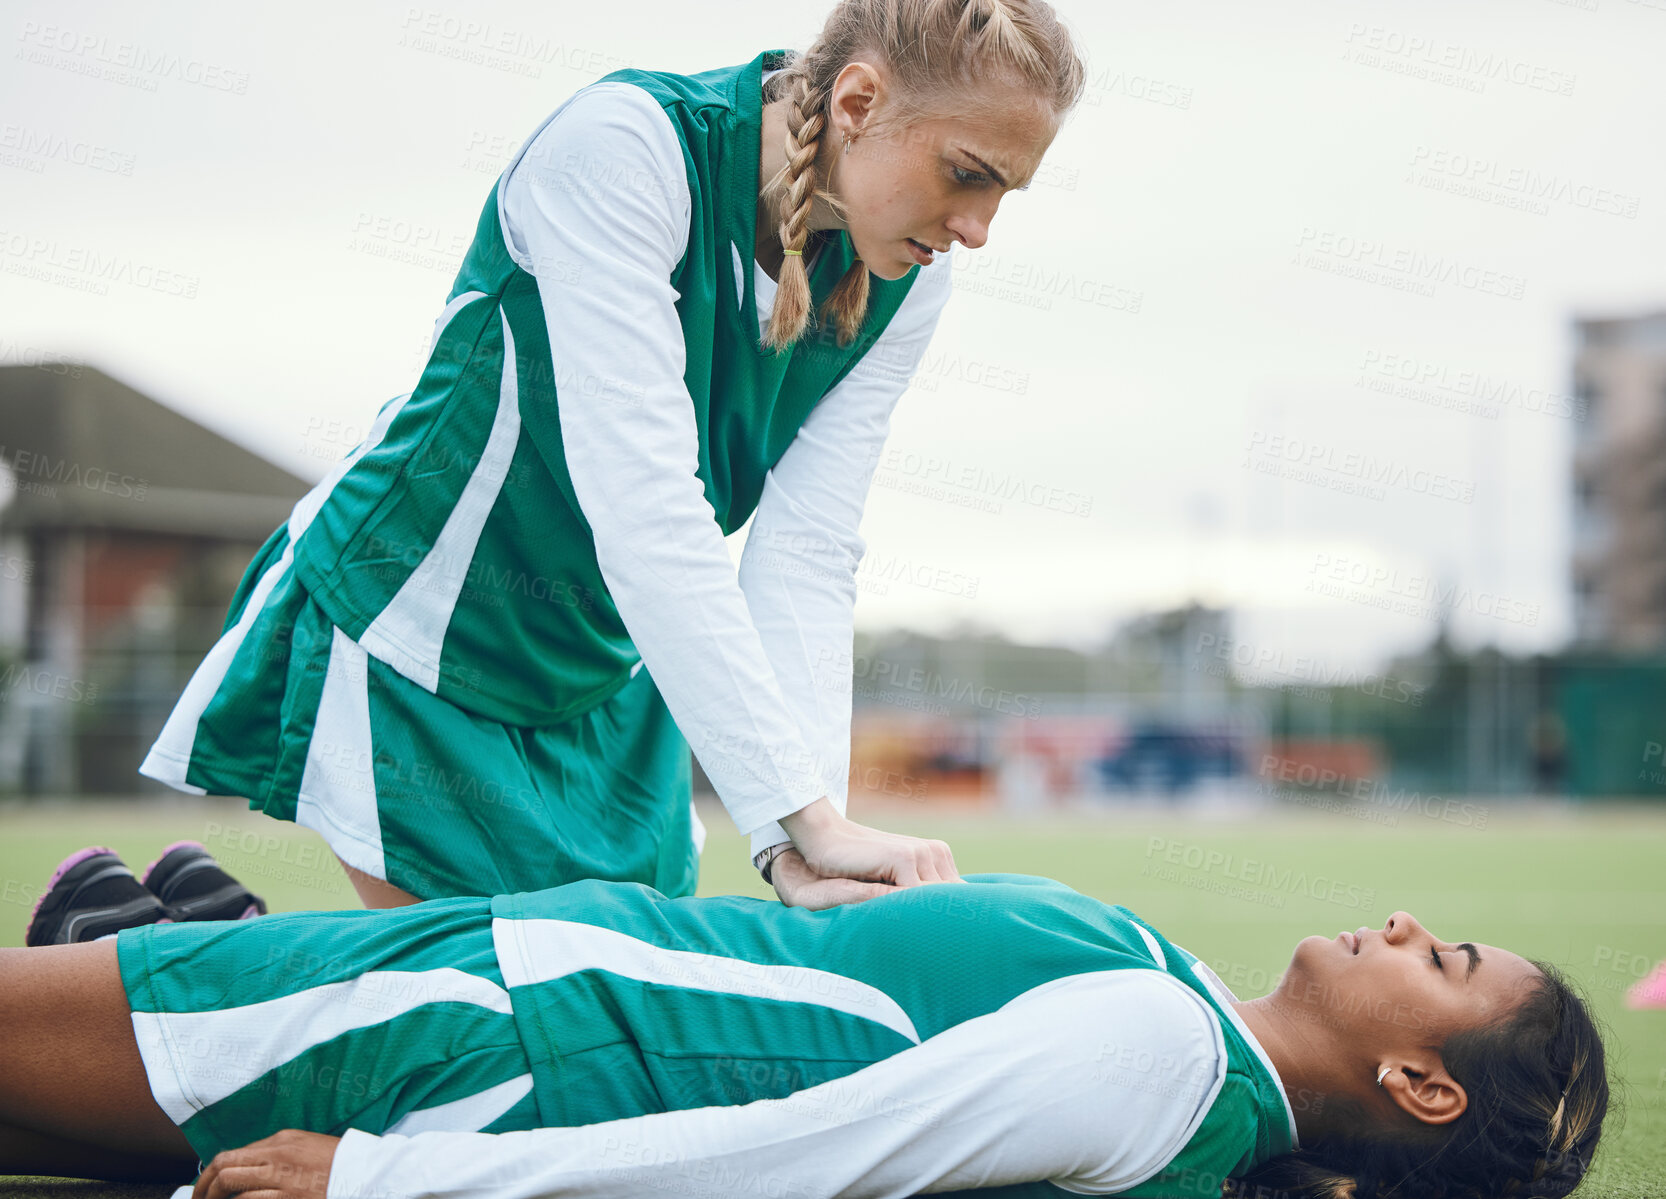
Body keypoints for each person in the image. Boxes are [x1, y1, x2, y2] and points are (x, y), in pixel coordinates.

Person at [134, 0, 1085, 913]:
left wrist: (810, 829)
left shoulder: (909, 284)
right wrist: (803, 815)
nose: (979, 229)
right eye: (969, 173)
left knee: (606, 1048)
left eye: (1006, 191)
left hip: (607, 684)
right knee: (473, 1039)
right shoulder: (621, 149)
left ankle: (167, 932)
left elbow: (805, 552)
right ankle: (143, 970)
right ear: (857, 103)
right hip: (422, 636)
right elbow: (646, 508)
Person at [1, 873, 1608, 1199]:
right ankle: (148, 916)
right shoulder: (1185, 1014)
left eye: (1444, 954)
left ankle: (141, 921)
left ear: (1418, 1075)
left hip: (501, 1026)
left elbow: (797, 1154)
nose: (1404, 918)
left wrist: (384, 1182)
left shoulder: (1166, 1056)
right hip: (518, 987)